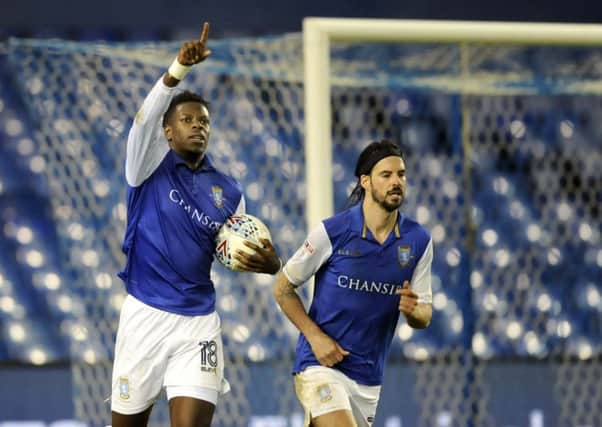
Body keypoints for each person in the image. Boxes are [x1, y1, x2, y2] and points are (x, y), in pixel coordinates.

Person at [111, 22, 281, 427]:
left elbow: (239, 249)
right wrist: (176, 71)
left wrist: (271, 263)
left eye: (203, 120)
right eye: (187, 119)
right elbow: (143, 121)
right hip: (144, 316)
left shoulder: (230, 190)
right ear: (167, 133)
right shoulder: (146, 166)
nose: (197, 125)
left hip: (198, 323)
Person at [272, 140, 433, 427]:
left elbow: (424, 315)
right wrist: (315, 337)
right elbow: (282, 288)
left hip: (369, 378)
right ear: (366, 181)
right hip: (321, 367)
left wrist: (412, 311)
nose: (396, 182)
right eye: (387, 175)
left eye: (402, 174)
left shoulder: (418, 240)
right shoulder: (333, 232)